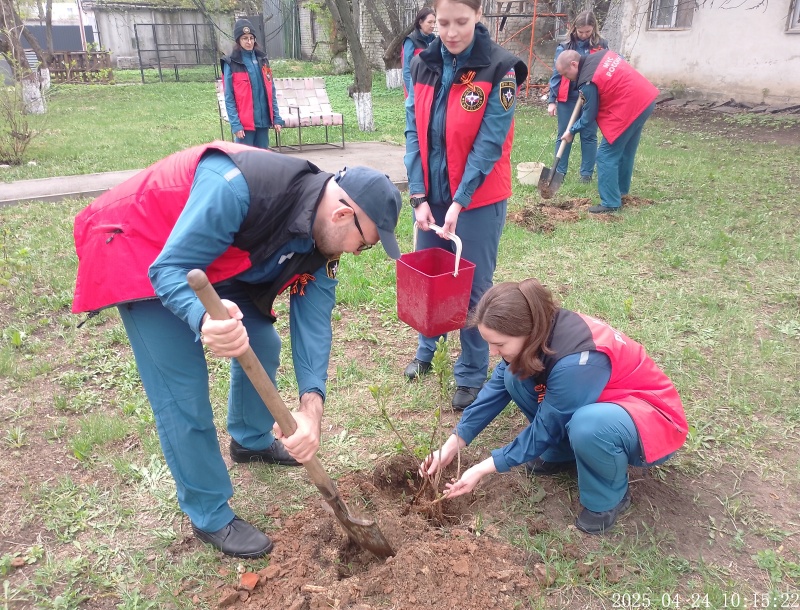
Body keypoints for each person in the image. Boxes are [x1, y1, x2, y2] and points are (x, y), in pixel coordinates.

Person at [72, 141, 402, 558]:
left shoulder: (323, 240)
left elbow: (314, 325)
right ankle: (209, 513)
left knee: (261, 340)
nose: (357, 252)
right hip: (139, 243)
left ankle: (250, 439)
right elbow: (169, 268)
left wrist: (311, 410)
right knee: (182, 391)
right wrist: (203, 319)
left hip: (209, 254)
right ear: (341, 214)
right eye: (365, 243)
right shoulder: (238, 188)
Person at [420, 279, 687, 534]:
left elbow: (547, 426)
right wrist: (452, 444)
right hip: (599, 401)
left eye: (499, 344)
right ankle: (561, 453)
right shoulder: (539, 328)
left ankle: (608, 497)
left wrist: (482, 468)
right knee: (513, 375)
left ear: (527, 332)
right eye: (489, 343)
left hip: (652, 421)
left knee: (588, 425)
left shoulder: (578, 360)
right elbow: (495, 391)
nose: (492, 352)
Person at [403, 0, 528, 411]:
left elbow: (489, 144)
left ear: (478, 16)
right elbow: (413, 131)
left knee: (473, 287)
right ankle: (427, 349)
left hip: (478, 199)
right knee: (430, 277)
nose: (451, 32)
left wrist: (459, 202)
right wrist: (419, 195)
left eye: (461, 21)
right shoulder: (422, 64)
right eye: (443, 23)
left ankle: (472, 373)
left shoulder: (501, 69)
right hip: (433, 195)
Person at [556, 48, 659, 213]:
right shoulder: (601, 55)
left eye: (566, 74)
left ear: (574, 64)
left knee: (605, 156)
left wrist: (571, 131)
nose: (566, 79)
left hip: (629, 106)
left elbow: (589, 116)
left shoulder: (587, 81)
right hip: (645, 98)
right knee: (625, 151)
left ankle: (610, 202)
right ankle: (621, 192)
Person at [546, 11, 608, 184]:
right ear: (574, 28)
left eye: (588, 31)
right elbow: (557, 74)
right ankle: (559, 172)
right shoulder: (565, 46)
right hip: (568, 97)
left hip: (591, 96)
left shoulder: (601, 45)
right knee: (564, 134)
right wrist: (552, 100)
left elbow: (604, 69)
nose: (584, 35)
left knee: (589, 135)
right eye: (581, 32)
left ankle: (586, 175)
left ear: (594, 28)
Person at [220, 19, 284, 149]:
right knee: (244, 158)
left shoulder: (263, 60)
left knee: (262, 157)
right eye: (245, 38)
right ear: (238, 41)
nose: (249, 42)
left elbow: (271, 91)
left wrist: (276, 117)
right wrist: (236, 124)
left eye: (251, 38)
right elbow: (229, 97)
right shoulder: (231, 63)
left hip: (263, 122)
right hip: (244, 125)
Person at [402, 7, 437, 98]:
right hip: (415, 88)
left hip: (430, 88)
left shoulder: (434, 40)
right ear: (420, 22)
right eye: (429, 22)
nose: (433, 25)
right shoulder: (411, 41)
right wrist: (412, 95)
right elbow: (406, 70)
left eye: (434, 22)